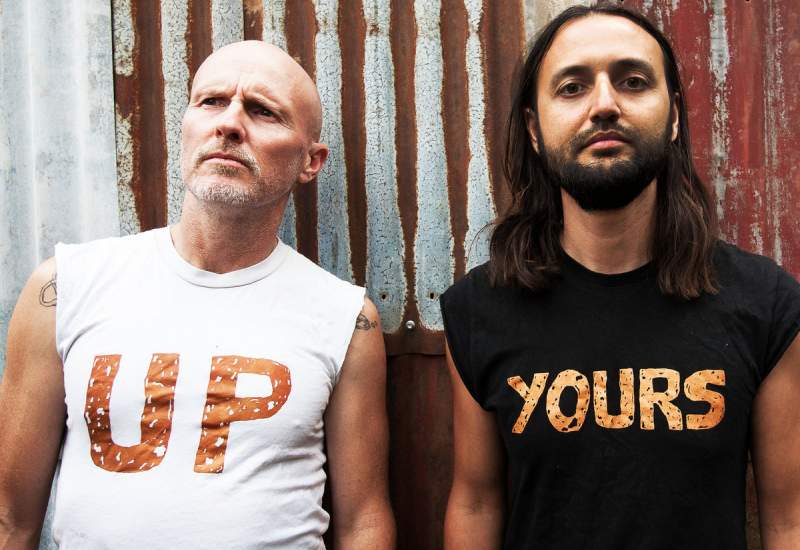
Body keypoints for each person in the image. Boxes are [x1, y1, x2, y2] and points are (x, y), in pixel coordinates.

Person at [0, 41, 395, 549]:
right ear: (185, 125)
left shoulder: (345, 317)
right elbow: (11, 517)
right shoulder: (66, 287)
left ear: (310, 161)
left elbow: (363, 521)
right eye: (211, 101)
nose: (229, 123)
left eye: (263, 111)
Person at [441, 4, 800, 550]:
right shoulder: (478, 310)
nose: (604, 105)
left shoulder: (766, 304)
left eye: (633, 82)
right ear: (534, 129)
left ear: (673, 117)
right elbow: (475, 503)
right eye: (572, 88)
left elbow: (789, 519)